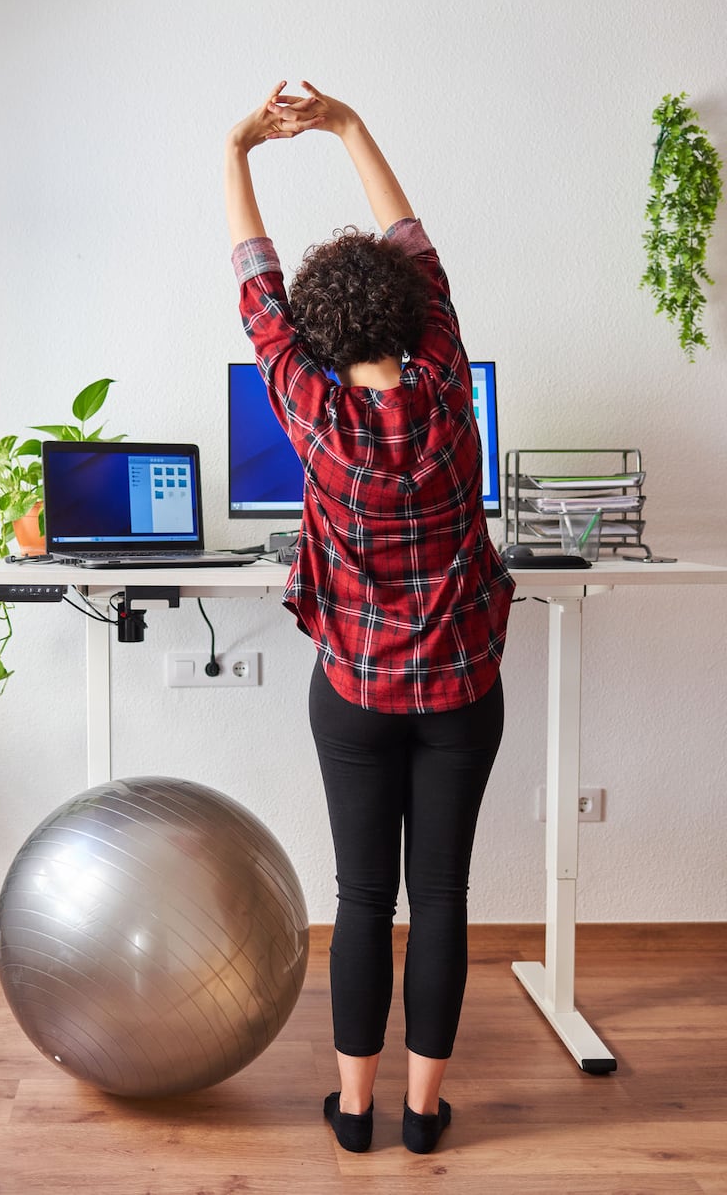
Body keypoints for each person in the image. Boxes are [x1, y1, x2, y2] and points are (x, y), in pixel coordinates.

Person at [225, 82, 514, 1154]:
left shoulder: (308, 404)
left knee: (361, 897)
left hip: (351, 689)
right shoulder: (445, 383)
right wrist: (346, 128)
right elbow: (413, 243)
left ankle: (352, 1110)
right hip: (461, 692)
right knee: (438, 894)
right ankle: (424, 1110)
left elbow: (252, 280)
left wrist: (238, 147)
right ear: (410, 308)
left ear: (309, 333)